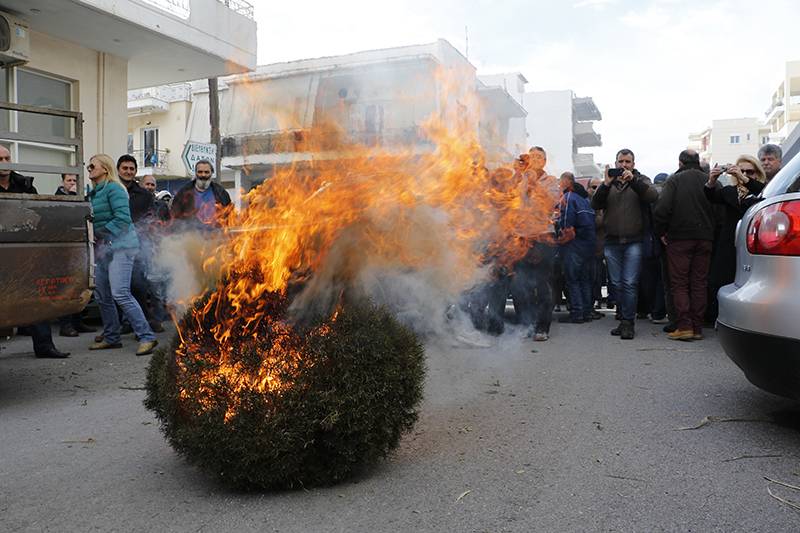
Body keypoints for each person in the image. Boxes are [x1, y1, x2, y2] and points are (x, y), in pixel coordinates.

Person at [0, 145, 70, 358]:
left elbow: (38, 213)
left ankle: (44, 346)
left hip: (23, 250)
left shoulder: (24, 183)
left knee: (35, 297)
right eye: (0, 159)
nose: (4, 163)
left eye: (7, 157)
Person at [87, 154, 157, 356]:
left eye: (93, 165)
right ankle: (111, 338)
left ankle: (147, 337)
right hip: (104, 248)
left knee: (120, 293)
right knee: (102, 295)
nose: (89, 169)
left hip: (122, 247)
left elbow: (123, 219)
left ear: (105, 169)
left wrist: (102, 232)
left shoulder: (114, 189)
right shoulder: (94, 192)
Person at [591, 148, 658, 340]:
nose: (624, 165)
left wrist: (633, 181)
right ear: (615, 163)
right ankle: (623, 319)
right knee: (616, 284)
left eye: (627, 162)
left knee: (629, 283)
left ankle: (628, 322)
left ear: (633, 164)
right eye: (620, 161)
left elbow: (653, 197)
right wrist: (604, 184)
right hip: (612, 242)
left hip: (634, 241)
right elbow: (594, 205)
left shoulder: (641, 180)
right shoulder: (609, 184)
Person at [653, 150, 715, 341]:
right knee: (699, 283)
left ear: (680, 163)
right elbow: (719, 209)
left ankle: (684, 326)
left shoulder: (674, 181)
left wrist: (661, 232)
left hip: (679, 238)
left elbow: (662, 209)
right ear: (697, 162)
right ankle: (696, 327)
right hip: (705, 238)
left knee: (679, 284)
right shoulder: (711, 181)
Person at [705, 156, 766, 310]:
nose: (744, 174)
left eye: (749, 172)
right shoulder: (730, 191)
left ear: (757, 173)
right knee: (721, 278)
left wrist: (742, 177)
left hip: (753, 243)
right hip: (729, 241)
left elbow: (762, 192)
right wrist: (712, 180)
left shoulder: (762, 189)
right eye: (741, 170)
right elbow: (711, 196)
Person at [556, 172, 597, 323]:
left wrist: (561, 238)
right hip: (588, 244)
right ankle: (586, 312)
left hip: (574, 244)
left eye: (561, 182)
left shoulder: (568, 197)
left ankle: (577, 313)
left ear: (566, 182)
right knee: (584, 279)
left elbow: (567, 222)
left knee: (572, 279)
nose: (559, 185)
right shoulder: (584, 199)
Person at [171, 160, 232, 226]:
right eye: (200, 172)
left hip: (216, 234)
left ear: (211, 173)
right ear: (196, 173)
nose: (203, 175)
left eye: (206, 172)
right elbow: (174, 218)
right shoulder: (183, 193)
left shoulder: (221, 193)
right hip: (191, 234)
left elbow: (229, 215)